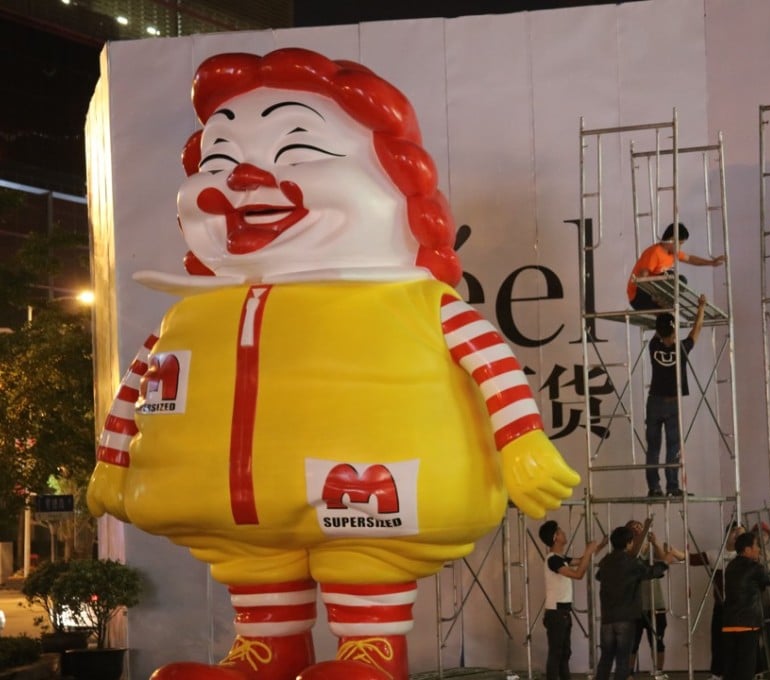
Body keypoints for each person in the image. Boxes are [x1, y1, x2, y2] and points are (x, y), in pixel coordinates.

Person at [87, 48, 581, 680]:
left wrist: (522, 443)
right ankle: (265, 653)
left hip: (377, 494)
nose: (241, 178)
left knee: (365, 560)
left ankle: (371, 653)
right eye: (220, 158)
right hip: (232, 511)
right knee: (255, 568)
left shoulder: (416, 303)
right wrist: (113, 461)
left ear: (394, 181)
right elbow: (140, 389)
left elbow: (491, 364)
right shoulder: (190, 315)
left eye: (295, 151)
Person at [644, 294, 707, 497]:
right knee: (673, 447)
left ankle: (654, 487)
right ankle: (672, 486)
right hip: (672, 404)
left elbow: (658, 330)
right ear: (673, 329)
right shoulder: (682, 348)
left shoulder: (653, 347)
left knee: (653, 448)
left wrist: (662, 309)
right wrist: (701, 308)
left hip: (654, 402)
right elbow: (696, 330)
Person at [595, 525, 675, 680]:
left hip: (607, 617)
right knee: (622, 660)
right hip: (625, 617)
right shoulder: (631, 561)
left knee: (605, 659)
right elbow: (650, 572)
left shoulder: (606, 560)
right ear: (629, 543)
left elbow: (598, 576)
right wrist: (665, 562)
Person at [539, 520, 606, 680]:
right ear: (555, 537)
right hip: (556, 613)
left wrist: (600, 546)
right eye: (561, 531)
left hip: (562, 612)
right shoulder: (553, 559)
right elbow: (578, 574)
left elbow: (582, 559)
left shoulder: (560, 558)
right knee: (556, 652)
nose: (564, 534)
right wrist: (589, 550)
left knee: (564, 653)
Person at [625, 519, 687, 678]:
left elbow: (665, 558)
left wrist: (656, 543)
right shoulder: (628, 551)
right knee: (632, 643)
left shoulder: (650, 549)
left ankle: (658, 671)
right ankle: (629, 673)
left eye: (640, 527)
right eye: (634, 528)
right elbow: (633, 556)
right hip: (635, 605)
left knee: (657, 640)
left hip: (656, 603)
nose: (638, 530)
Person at [721, 531, 770, 680]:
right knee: (746, 667)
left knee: (731, 667)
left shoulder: (730, 567)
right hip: (748, 624)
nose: (759, 549)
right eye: (756, 546)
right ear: (747, 549)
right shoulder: (755, 567)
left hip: (729, 623)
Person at [688, 521, 744, 680]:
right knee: (718, 641)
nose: (737, 536)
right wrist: (675, 554)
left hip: (741, 608)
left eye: (740, 533)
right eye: (734, 531)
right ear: (727, 534)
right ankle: (717, 674)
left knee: (739, 643)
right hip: (721, 606)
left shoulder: (745, 557)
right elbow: (692, 559)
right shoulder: (715, 554)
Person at [627, 223, 725, 310]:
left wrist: (711, 262)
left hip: (652, 294)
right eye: (680, 244)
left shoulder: (673, 253)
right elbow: (641, 279)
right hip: (637, 296)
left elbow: (690, 259)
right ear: (672, 240)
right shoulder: (654, 253)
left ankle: (662, 304)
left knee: (680, 280)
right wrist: (658, 291)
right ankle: (660, 299)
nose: (680, 248)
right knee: (672, 277)